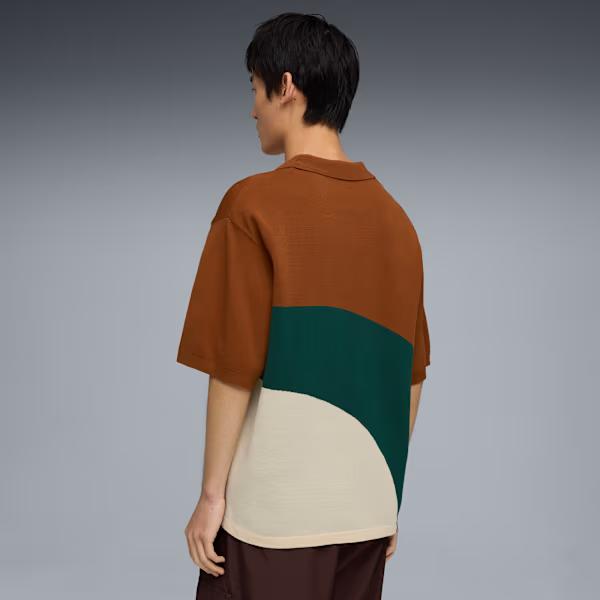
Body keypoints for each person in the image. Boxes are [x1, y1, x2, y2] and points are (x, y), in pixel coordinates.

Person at [176, 12, 431, 600]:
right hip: (367, 511)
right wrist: (388, 494)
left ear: (285, 86)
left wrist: (212, 496)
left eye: (254, 88)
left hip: (274, 516)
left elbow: (234, 363)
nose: (252, 109)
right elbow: (410, 374)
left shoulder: (252, 205)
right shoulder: (397, 221)